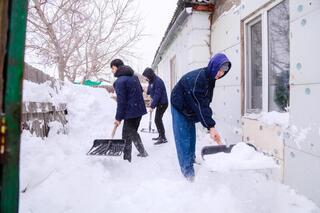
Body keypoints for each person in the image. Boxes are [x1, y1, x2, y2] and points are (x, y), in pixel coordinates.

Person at [170, 53, 232, 181]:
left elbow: (204, 102)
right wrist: (210, 126)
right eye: (219, 70)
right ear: (213, 66)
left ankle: (191, 158)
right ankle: (187, 172)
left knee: (191, 135)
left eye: (223, 71)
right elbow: (200, 105)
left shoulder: (210, 78)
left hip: (189, 105)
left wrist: (209, 124)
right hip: (179, 105)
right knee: (183, 139)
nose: (220, 74)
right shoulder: (199, 79)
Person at [111, 59, 148, 162]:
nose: (112, 71)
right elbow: (140, 91)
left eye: (112, 68)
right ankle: (142, 152)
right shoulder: (134, 77)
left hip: (131, 112)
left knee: (126, 135)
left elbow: (121, 102)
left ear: (116, 67)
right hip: (139, 110)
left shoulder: (119, 81)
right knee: (132, 132)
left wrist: (118, 118)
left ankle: (126, 160)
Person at [142, 68, 169, 145]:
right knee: (158, 119)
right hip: (159, 103)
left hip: (163, 103)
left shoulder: (158, 81)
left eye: (146, 76)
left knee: (157, 119)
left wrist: (152, 106)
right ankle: (161, 136)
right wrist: (145, 91)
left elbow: (157, 95)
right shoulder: (151, 81)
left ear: (149, 75)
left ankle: (163, 138)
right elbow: (150, 91)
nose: (146, 78)